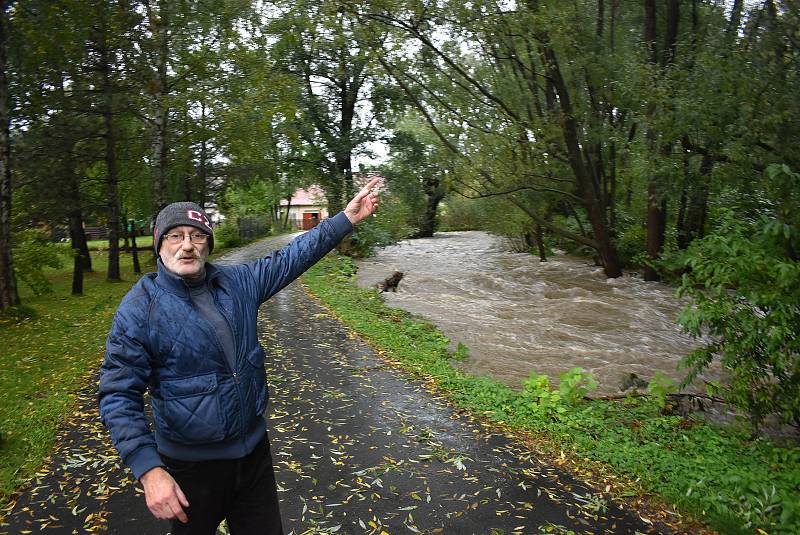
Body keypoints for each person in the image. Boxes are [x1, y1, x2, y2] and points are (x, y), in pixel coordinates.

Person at [99, 178, 380, 534]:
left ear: (208, 244)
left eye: (197, 236)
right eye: (176, 236)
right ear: (159, 244)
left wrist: (347, 219)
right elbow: (117, 393)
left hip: (252, 457)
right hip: (190, 468)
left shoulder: (238, 283)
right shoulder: (140, 308)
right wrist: (149, 469)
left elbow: (293, 256)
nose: (187, 246)